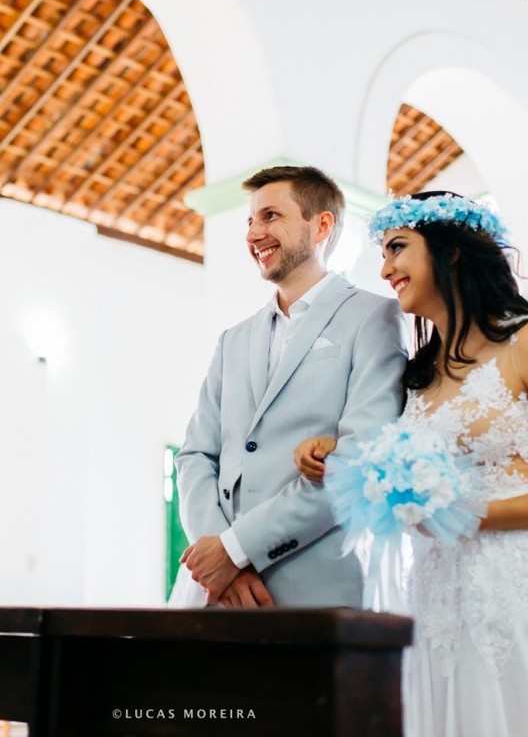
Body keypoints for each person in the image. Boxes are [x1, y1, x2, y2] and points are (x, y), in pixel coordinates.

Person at [295, 191, 528, 735]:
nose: (385, 269)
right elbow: (405, 471)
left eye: (397, 248)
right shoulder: (419, 374)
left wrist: (472, 515)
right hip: (439, 600)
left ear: (451, 251)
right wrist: (338, 457)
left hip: (525, 594)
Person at [174, 165, 407, 608]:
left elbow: (359, 458)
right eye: (250, 221)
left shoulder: (373, 318)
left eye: (271, 216)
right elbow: (195, 456)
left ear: (321, 226)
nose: (253, 233)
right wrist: (217, 553)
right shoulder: (233, 340)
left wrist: (237, 549)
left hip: (317, 586)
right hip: (218, 592)